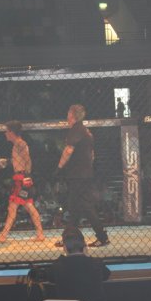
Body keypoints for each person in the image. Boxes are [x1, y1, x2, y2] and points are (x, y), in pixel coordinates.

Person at [46, 226, 117, 301]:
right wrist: (88, 257)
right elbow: (106, 274)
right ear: (85, 247)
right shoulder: (95, 264)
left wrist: (62, 258)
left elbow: (50, 277)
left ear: (64, 248)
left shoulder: (57, 267)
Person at [55, 105, 109, 247]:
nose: (67, 116)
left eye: (68, 113)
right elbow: (92, 154)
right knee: (76, 207)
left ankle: (101, 236)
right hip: (84, 173)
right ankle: (71, 237)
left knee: (82, 205)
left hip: (77, 174)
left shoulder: (76, 130)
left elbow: (68, 150)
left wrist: (59, 167)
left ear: (72, 115)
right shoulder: (86, 131)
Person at [0, 121, 45, 243]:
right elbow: (19, 160)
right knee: (28, 206)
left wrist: (27, 176)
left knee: (13, 207)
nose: (5, 133)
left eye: (6, 131)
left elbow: (27, 160)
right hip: (21, 177)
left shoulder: (20, 143)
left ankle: (3, 236)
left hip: (22, 178)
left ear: (11, 132)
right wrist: (7, 161)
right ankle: (40, 234)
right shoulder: (16, 145)